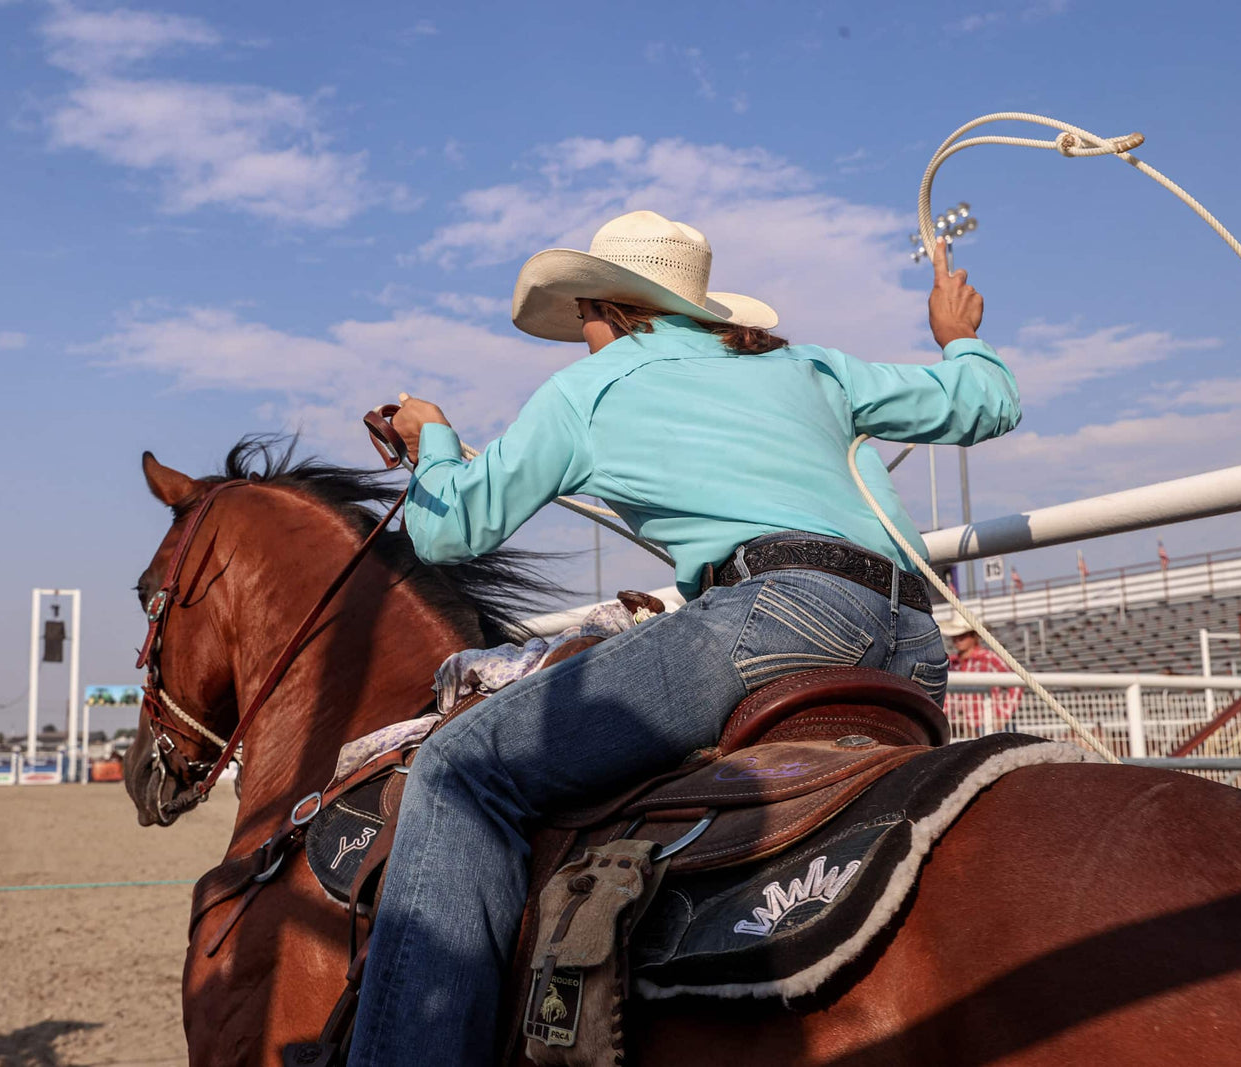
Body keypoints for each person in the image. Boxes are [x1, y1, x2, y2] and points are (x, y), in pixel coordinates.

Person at [350, 209, 1020, 1063]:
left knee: (457, 772)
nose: (581, 339)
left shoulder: (589, 392)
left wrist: (431, 438)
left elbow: (449, 532)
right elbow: (989, 402)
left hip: (775, 617)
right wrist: (959, 338)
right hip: (914, 644)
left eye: (582, 320)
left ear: (604, 306)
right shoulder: (804, 363)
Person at [938, 612, 1022, 730]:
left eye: (963, 635)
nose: (957, 639)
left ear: (974, 635)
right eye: (955, 635)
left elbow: (1017, 684)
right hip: (960, 726)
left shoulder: (989, 658)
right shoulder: (951, 662)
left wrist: (1003, 715)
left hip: (988, 724)